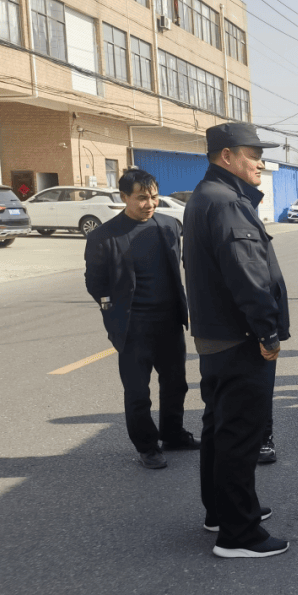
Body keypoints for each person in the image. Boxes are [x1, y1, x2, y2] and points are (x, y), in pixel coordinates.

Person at [182, 122, 290, 558]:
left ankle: (221, 511)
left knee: (220, 428)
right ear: (226, 156)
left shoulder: (208, 195)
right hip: (240, 337)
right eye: (252, 153)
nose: (260, 161)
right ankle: (238, 535)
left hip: (219, 336)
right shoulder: (226, 202)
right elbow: (247, 276)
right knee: (240, 434)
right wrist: (266, 331)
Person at [84, 168, 197, 470]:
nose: (150, 204)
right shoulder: (103, 236)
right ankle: (147, 446)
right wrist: (113, 313)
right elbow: (95, 283)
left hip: (170, 323)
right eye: (142, 198)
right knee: (138, 392)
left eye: (154, 197)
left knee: (176, 385)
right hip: (133, 328)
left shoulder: (170, 226)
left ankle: (173, 434)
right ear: (124, 197)